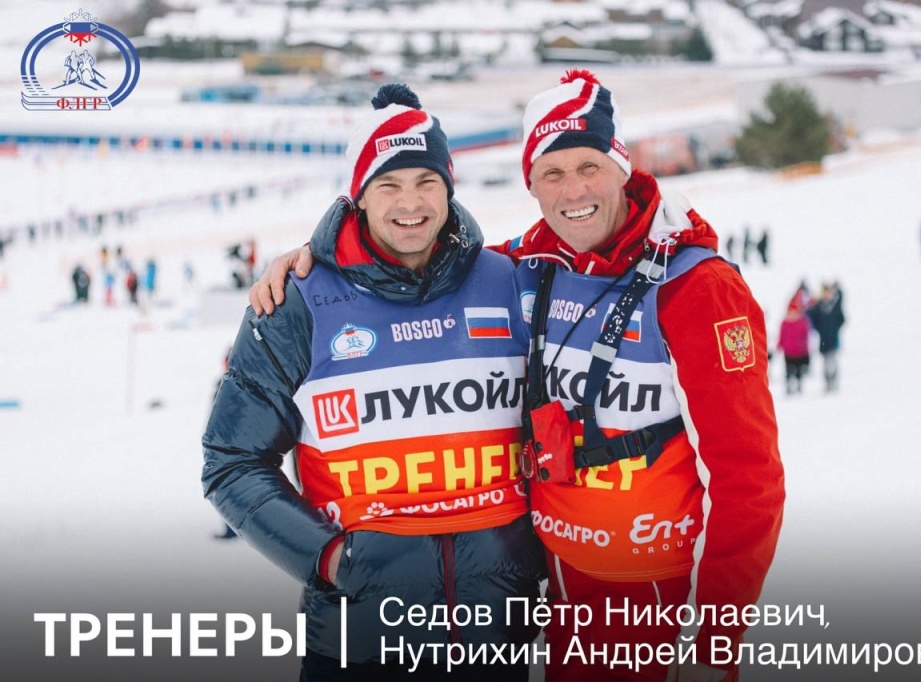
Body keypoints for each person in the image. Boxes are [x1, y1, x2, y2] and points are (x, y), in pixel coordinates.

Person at [252, 70, 785, 682]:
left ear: (622, 166)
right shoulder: (528, 269)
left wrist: (714, 638)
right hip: (559, 601)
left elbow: (749, 479)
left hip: (661, 603)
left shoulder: (694, 287)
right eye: (551, 174)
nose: (572, 190)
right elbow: (421, 260)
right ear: (530, 184)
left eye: (588, 166)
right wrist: (318, 261)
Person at [203, 83, 545, 681]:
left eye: (427, 181)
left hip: (495, 639)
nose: (410, 202)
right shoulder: (296, 301)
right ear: (358, 195)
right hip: (357, 642)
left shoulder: (509, 281)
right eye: (388, 184)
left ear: (449, 188)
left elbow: (598, 268)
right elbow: (231, 462)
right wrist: (329, 558)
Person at [807, 283, 845, 393]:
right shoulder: (818, 307)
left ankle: (834, 381)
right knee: (825, 362)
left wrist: (835, 328)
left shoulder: (835, 307)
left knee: (833, 361)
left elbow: (842, 319)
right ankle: (827, 382)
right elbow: (811, 317)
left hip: (833, 339)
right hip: (823, 340)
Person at [776, 302, 811, 395]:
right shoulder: (784, 323)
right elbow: (781, 335)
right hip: (788, 352)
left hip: (799, 351)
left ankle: (799, 385)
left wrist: (805, 347)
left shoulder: (802, 322)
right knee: (788, 370)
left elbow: (806, 336)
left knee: (799, 370)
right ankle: (788, 386)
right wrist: (780, 345)